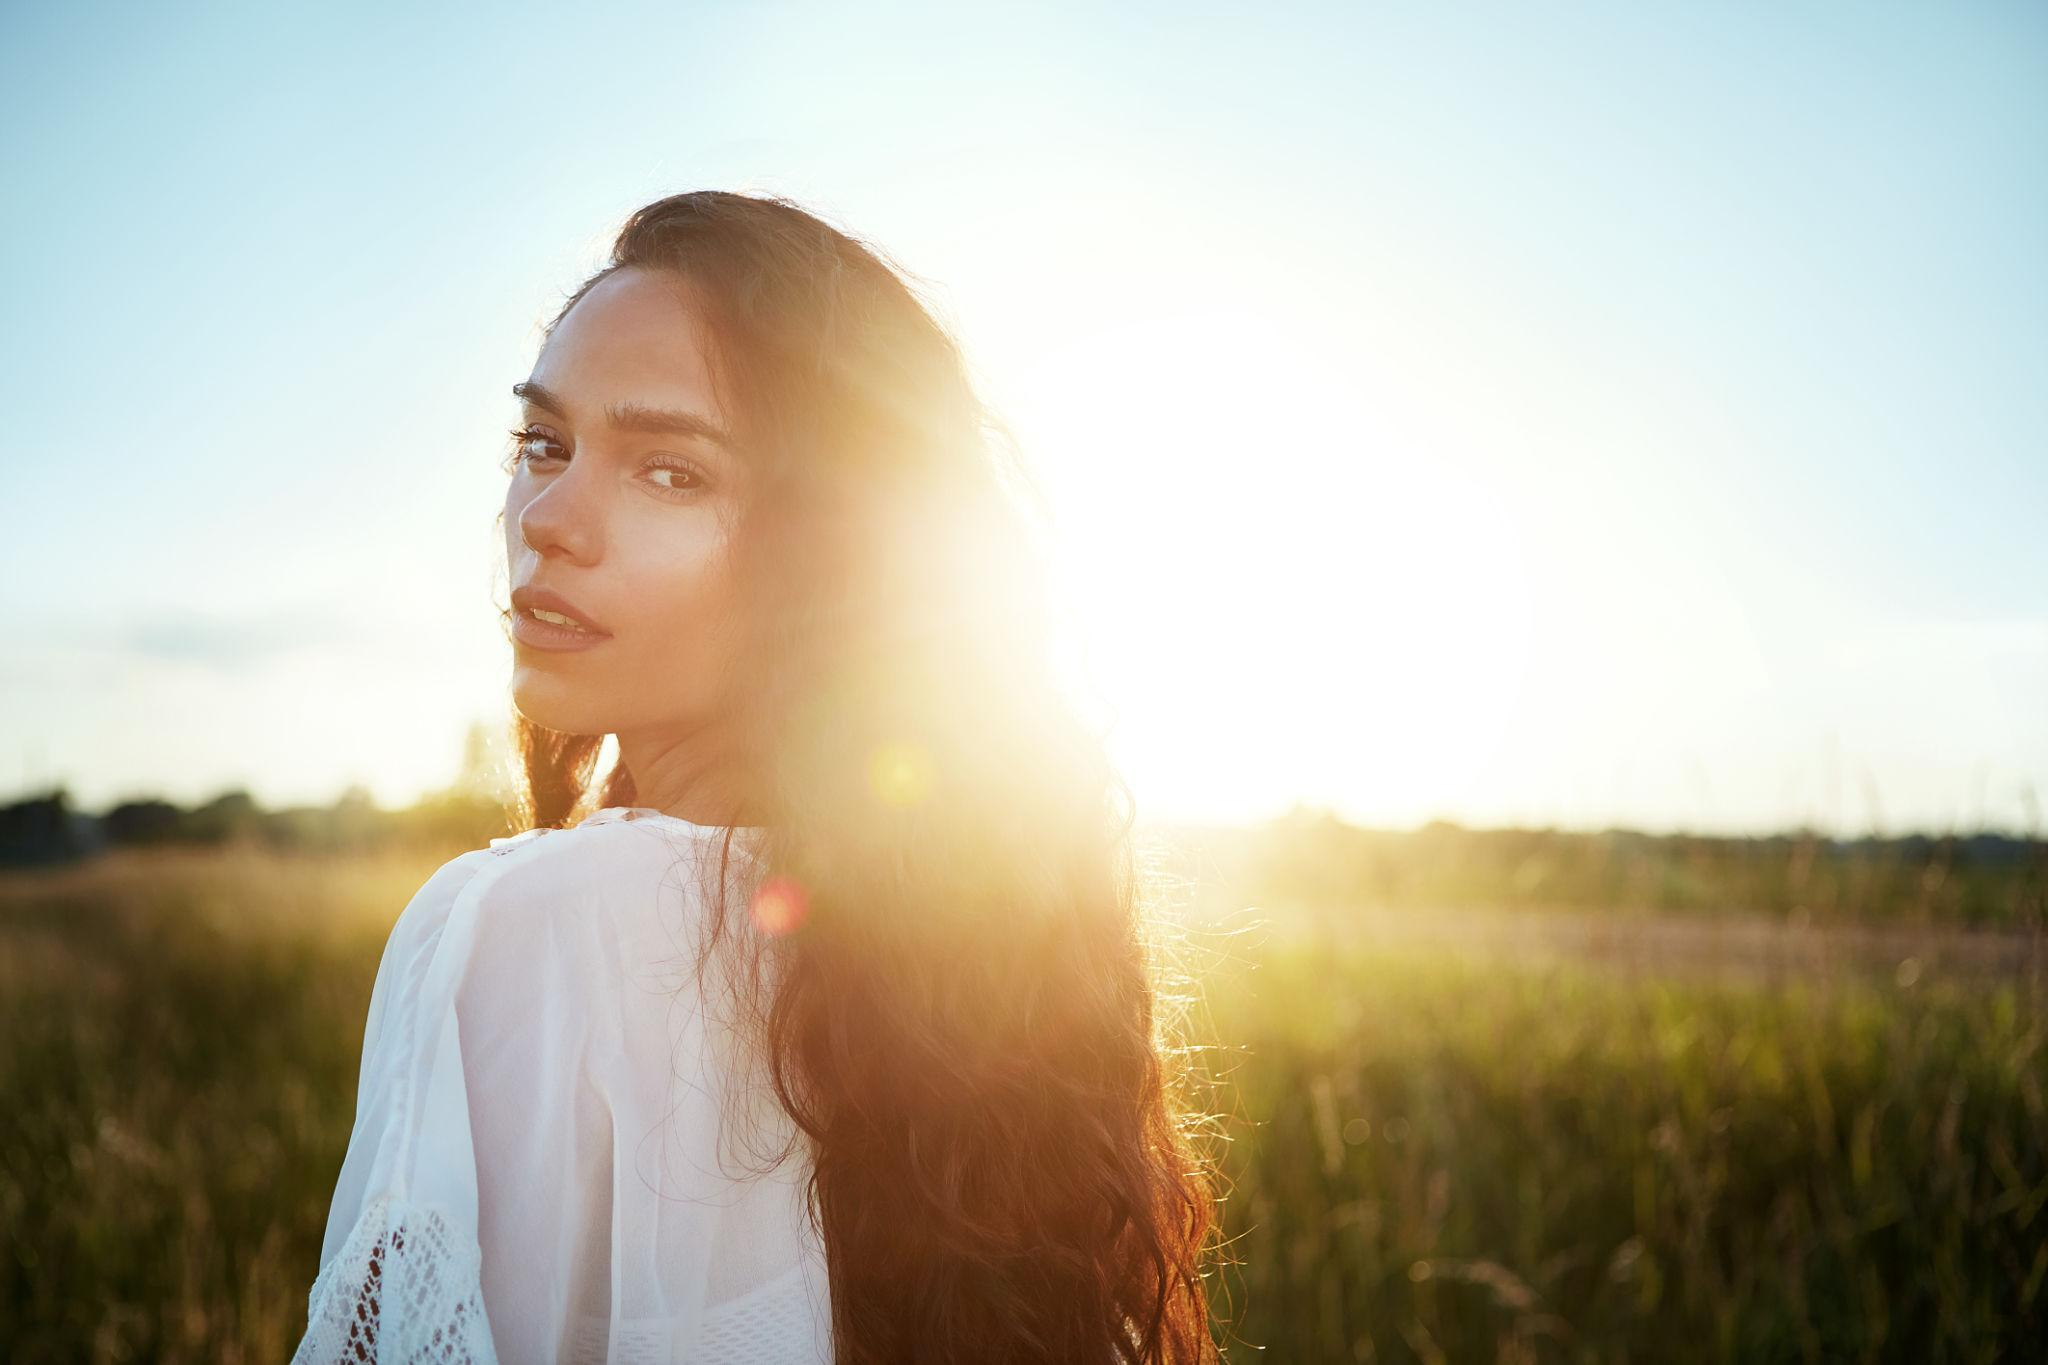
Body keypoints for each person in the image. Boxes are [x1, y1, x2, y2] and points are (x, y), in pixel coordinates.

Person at [292, 190, 1224, 1364]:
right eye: (544, 444)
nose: (550, 520)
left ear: (834, 553)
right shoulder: (967, 949)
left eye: (670, 472)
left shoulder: (508, 930)